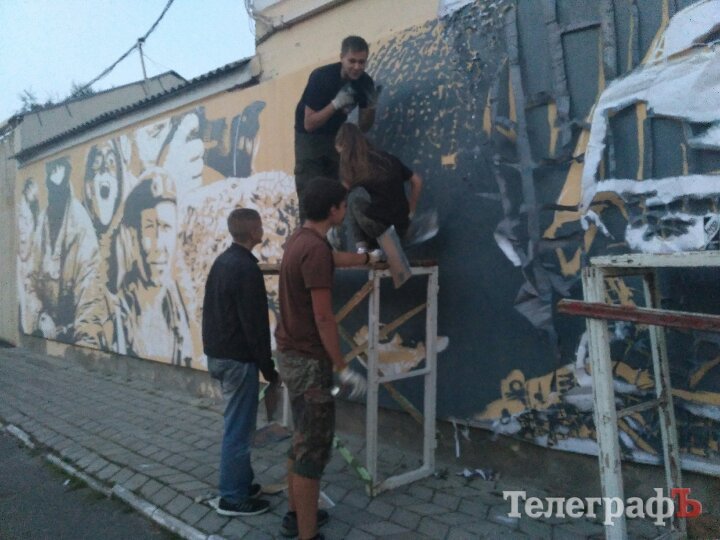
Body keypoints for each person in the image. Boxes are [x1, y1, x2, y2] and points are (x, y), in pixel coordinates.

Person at [275, 177, 380, 539]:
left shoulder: (301, 240)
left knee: (302, 439)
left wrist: (366, 259)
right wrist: (342, 366)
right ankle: (307, 534)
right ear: (333, 210)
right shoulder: (315, 249)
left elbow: (332, 258)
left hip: (290, 355)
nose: (346, 211)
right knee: (312, 451)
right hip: (309, 362)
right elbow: (323, 317)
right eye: (344, 205)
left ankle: (295, 515)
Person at [202, 208, 280, 517]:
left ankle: (242, 484)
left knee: (239, 425)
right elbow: (255, 325)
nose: (263, 229)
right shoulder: (247, 269)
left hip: (220, 356)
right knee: (238, 430)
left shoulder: (223, 262)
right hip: (237, 360)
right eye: (260, 225)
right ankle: (232, 497)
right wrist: (269, 369)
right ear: (252, 231)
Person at [111, 168, 193, 366]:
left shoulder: (179, 308)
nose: (159, 244)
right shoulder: (116, 313)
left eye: (166, 227)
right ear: (133, 235)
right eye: (149, 227)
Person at [294, 35, 380, 220]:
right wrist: (335, 104)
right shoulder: (322, 77)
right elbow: (309, 124)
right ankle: (308, 236)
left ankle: (332, 236)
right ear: (341, 58)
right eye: (352, 61)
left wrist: (371, 106)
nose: (357, 67)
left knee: (334, 194)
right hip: (309, 139)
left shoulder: (365, 83)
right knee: (312, 193)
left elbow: (364, 126)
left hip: (335, 138)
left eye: (362, 62)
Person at [335, 123, 423, 252]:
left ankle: (362, 248)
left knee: (353, 201)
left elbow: (340, 195)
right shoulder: (388, 158)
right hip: (402, 226)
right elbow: (417, 181)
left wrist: (333, 226)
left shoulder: (354, 167)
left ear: (344, 148)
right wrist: (411, 212)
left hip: (380, 228)